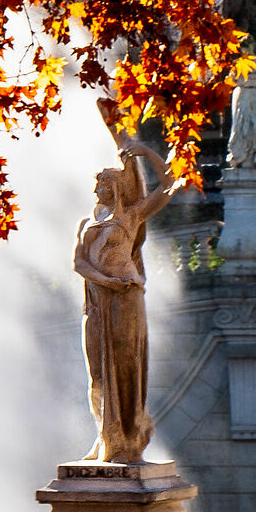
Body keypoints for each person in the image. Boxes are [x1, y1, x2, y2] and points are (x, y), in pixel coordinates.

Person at [73, 100, 178, 463]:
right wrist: (104, 280)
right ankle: (104, 434)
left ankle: (128, 437)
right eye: (98, 182)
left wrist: (146, 151)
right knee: (97, 373)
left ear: (116, 189)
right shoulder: (85, 224)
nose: (99, 186)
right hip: (97, 299)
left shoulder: (130, 216)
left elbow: (169, 186)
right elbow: (78, 263)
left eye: (105, 182)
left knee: (126, 364)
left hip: (126, 298)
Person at [226, 46, 256, 170]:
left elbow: (232, 79)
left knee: (249, 125)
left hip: (246, 93)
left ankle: (250, 156)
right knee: (246, 125)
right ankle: (244, 156)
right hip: (251, 94)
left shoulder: (238, 64)